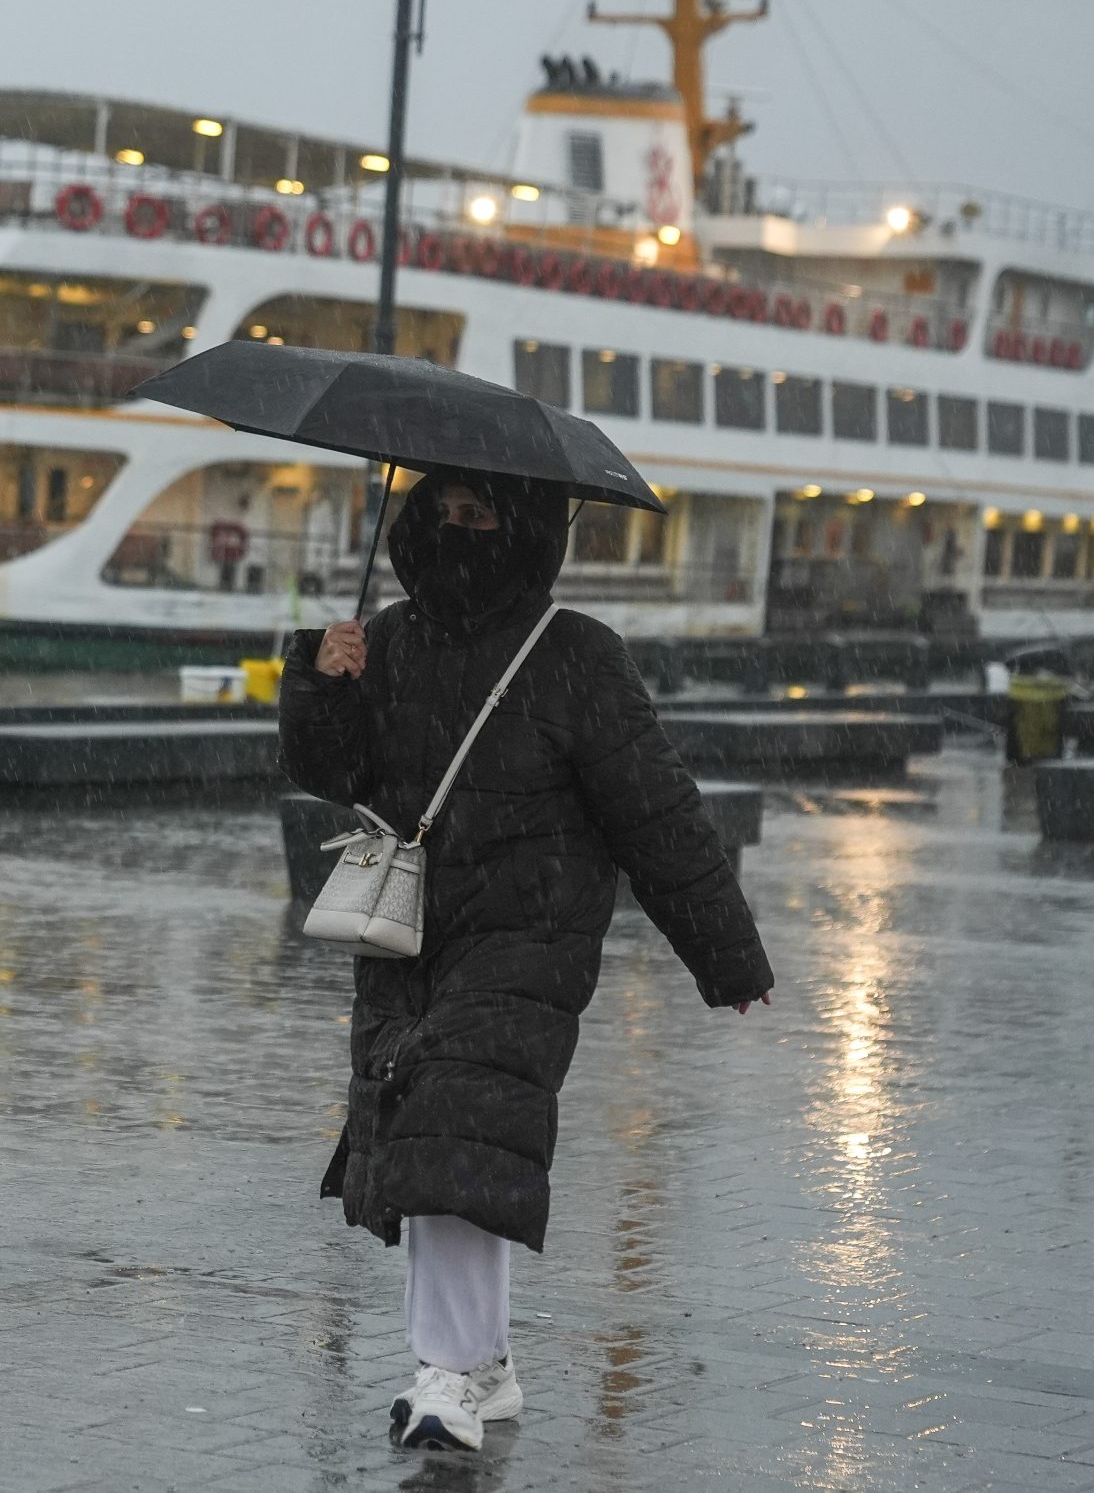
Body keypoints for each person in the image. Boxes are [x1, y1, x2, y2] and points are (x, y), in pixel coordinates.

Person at [279, 469, 774, 1452]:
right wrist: (319, 678)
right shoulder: (386, 639)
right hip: (409, 935)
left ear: (527, 529)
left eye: (483, 515)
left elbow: (656, 812)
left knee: (458, 1121)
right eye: (447, 513)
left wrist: (727, 956)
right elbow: (334, 774)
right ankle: (484, 1366)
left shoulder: (577, 656)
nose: (461, 531)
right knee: (436, 1142)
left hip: (528, 937)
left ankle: (444, 1379)